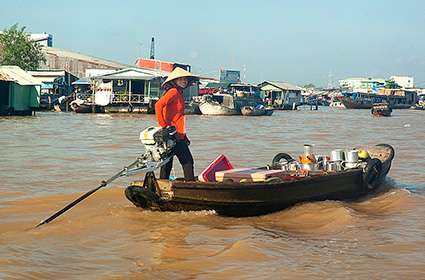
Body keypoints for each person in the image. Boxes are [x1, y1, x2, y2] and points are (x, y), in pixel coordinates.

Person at [155, 67, 198, 181]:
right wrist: (164, 126)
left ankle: (163, 183)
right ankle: (190, 185)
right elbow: (158, 105)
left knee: (167, 162)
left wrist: (184, 137)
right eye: (181, 79)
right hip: (172, 133)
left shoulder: (179, 93)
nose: (184, 81)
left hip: (178, 134)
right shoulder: (173, 92)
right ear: (174, 81)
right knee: (187, 161)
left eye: (185, 79)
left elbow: (178, 117)